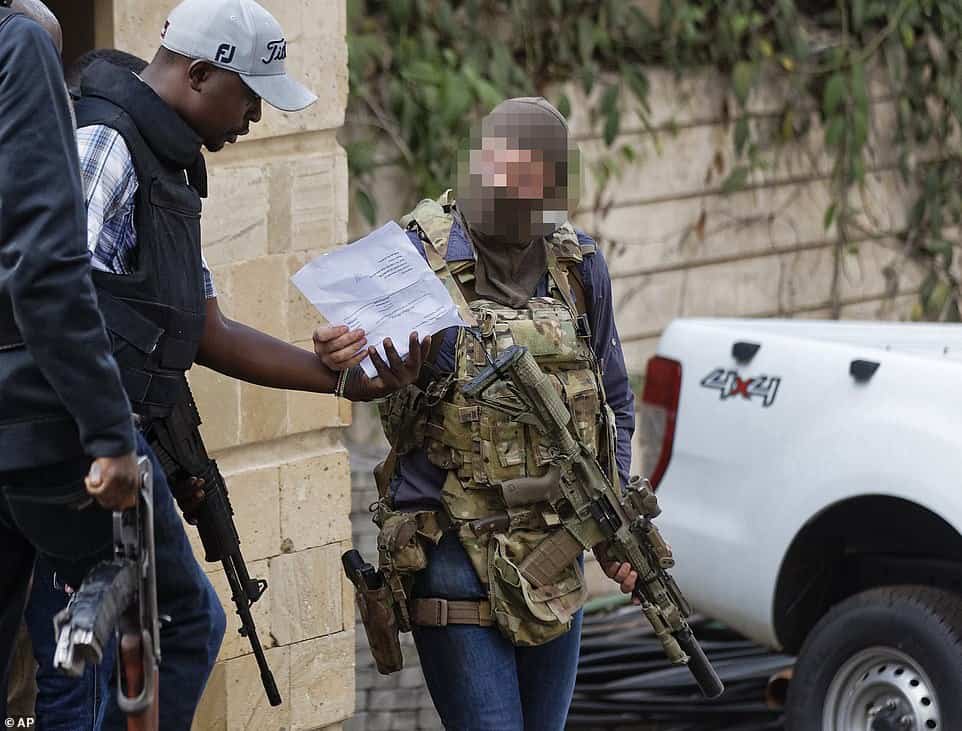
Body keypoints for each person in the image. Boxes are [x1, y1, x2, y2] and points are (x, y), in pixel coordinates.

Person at [23, 1, 430, 729]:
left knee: (122, 645)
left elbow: (206, 327)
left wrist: (340, 377)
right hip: (74, 440)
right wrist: (103, 434)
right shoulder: (104, 142)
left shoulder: (165, 164)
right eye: (249, 95)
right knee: (137, 642)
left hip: (98, 441)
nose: (254, 117)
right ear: (199, 74)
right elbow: (51, 291)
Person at [323, 98, 639, 730]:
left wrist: (612, 522)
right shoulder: (413, 259)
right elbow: (357, 376)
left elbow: (614, 404)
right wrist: (337, 358)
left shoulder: (577, 267)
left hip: (556, 558)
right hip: (453, 558)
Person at [0, 0, 140, 720]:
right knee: (167, 614)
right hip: (33, 430)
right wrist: (108, 431)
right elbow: (50, 270)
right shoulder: (17, 44)